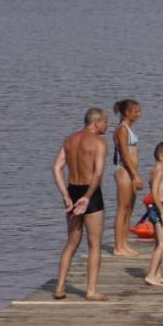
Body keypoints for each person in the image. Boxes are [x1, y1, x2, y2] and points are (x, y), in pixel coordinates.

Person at [52, 108, 110, 301]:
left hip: (72, 189)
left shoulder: (69, 140)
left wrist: (66, 195)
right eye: (105, 123)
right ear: (96, 123)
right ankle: (91, 290)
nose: (107, 126)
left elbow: (57, 167)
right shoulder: (99, 143)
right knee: (94, 244)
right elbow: (98, 173)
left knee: (71, 243)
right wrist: (87, 197)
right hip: (90, 193)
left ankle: (59, 287)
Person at [110, 99, 143, 257]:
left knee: (129, 209)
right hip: (124, 171)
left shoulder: (129, 129)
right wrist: (135, 175)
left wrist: (135, 174)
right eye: (136, 111)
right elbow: (124, 154)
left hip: (131, 173)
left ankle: (124, 243)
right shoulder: (121, 130)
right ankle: (118, 246)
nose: (139, 114)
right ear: (127, 113)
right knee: (122, 208)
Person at [142, 142, 163, 287]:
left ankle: (157, 274)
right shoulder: (158, 172)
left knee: (158, 243)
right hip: (160, 208)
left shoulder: (155, 171)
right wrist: (162, 212)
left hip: (159, 207)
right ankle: (151, 275)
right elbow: (154, 192)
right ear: (162, 157)